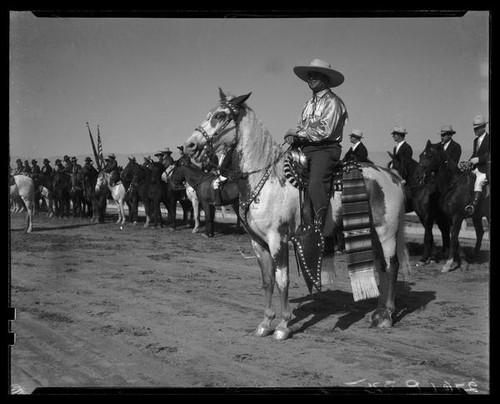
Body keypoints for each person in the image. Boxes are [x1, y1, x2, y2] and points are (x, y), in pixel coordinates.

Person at [284, 58, 348, 229]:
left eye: (315, 75)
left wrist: (297, 134)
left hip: (325, 149)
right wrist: (293, 136)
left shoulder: (333, 102)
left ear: (326, 79)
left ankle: (322, 227)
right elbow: (301, 126)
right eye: (309, 76)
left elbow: (324, 131)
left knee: (315, 182)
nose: (310, 78)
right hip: (307, 148)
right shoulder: (308, 104)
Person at [464, 115, 490, 216]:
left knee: (478, 183)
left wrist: (478, 159)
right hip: (475, 168)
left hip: (485, 170)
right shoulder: (475, 141)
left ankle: (473, 206)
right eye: (474, 128)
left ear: (484, 127)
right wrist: (469, 161)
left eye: (477, 128)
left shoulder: (488, 139)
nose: (475, 130)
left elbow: (488, 156)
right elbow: (474, 154)